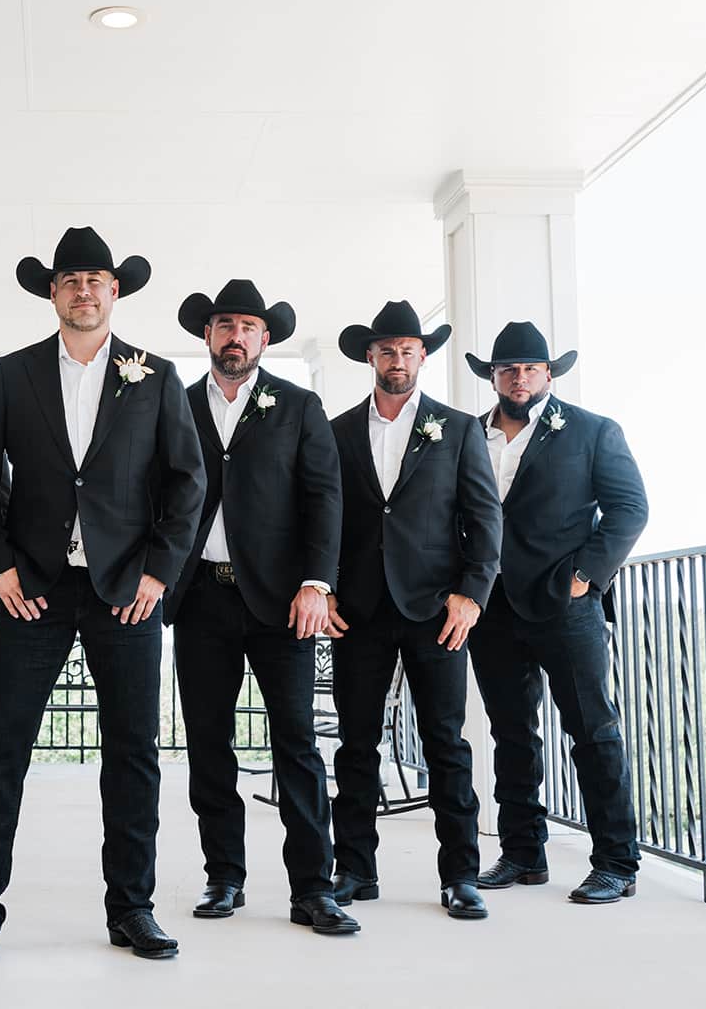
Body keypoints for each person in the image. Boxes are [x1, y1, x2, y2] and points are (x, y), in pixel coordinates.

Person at [0, 226, 206, 963]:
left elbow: (187, 480)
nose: (84, 290)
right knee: (0, 747)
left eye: (97, 279)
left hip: (127, 588)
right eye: (71, 280)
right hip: (32, 588)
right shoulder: (12, 371)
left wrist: (159, 572)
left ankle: (132, 907)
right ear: (53, 293)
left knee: (134, 752)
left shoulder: (155, 376)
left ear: (114, 291)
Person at [162, 279, 356, 936]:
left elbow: (324, 499)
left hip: (282, 604)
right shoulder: (175, 405)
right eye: (224, 324)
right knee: (209, 745)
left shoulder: (300, 406)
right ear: (208, 335)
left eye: (247, 324)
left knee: (297, 744)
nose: (235, 334)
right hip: (198, 601)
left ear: (264, 337)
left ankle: (313, 888)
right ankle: (225, 875)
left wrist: (317, 583)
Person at [325, 300, 502, 921]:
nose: (397, 360)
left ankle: (460, 875)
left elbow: (484, 519)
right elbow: (321, 518)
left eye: (408, 350)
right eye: (386, 351)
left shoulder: (455, 429)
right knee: (356, 744)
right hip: (359, 610)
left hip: (436, 610)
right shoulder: (338, 429)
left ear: (422, 357)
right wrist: (323, 590)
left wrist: (472, 594)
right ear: (368, 358)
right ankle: (353, 869)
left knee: (446, 744)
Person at [464, 321, 649, 904]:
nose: (519, 378)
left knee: (593, 732)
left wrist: (583, 577)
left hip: (564, 608)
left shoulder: (593, 431)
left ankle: (617, 863)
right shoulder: (467, 435)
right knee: (511, 734)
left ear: (549, 374)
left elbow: (629, 509)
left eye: (531, 368)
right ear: (492, 376)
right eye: (507, 369)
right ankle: (522, 854)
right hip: (489, 608)